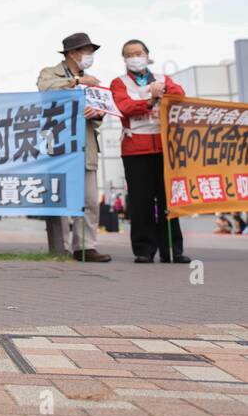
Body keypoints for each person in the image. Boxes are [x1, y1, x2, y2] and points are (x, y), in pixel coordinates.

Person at [110, 39, 190, 264]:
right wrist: (151, 99)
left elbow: (179, 95)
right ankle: (144, 250)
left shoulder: (164, 79)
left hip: (165, 147)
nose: (135, 57)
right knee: (141, 200)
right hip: (136, 149)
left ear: (147, 55)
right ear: (124, 59)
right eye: (129, 54)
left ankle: (172, 249)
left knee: (168, 200)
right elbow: (123, 106)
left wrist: (162, 89)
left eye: (138, 52)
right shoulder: (119, 82)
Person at [36, 32, 111, 261]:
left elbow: (101, 112)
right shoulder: (50, 73)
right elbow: (45, 89)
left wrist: (97, 113)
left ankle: (85, 247)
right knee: (62, 197)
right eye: (86, 51)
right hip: (59, 144)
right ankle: (61, 247)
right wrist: (76, 82)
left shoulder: (94, 81)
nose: (90, 56)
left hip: (85, 144)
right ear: (72, 53)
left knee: (88, 200)